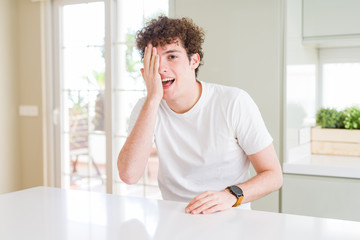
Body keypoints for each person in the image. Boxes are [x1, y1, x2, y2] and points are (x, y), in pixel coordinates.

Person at [117, 16, 283, 215]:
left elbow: (273, 176)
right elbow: (129, 175)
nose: (161, 68)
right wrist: (153, 99)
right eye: (154, 60)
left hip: (230, 219)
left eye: (172, 56)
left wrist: (229, 196)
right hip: (176, 219)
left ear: (193, 60)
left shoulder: (234, 102)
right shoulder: (147, 107)